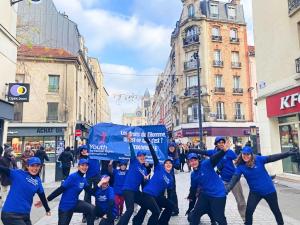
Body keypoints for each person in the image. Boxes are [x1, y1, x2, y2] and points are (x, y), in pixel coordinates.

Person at [226, 146, 299, 225]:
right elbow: (235, 178)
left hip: (269, 191)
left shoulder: (258, 159)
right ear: (241, 154)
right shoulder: (240, 167)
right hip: (255, 193)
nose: (246, 156)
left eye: (248, 154)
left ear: (251, 154)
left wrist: (287, 154)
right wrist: (227, 189)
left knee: (276, 211)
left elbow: (272, 157)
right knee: (249, 212)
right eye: (244, 154)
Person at [189, 136, 246, 222]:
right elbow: (202, 151)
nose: (221, 144)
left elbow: (238, 161)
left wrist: (239, 172)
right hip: (223, 180)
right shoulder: (213, 152)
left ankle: (245, 219)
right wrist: (189, 149)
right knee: (216, 197)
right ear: (216, 144)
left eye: (222, 142)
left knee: (240, 201)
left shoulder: (229, 152)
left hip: (233, 180)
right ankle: (214, 216)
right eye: (219, 142)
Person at [132, 137, 175, 225]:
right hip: (147, 193)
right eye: (166, 163)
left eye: (170, 163)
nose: (168, 164)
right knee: (154, 210)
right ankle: (138, 221)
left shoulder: (171, 179)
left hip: (156, 196)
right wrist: (149, 143)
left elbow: (170, 192)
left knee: (170, 205)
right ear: (164, 165)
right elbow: (154, 155)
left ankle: (162, 223)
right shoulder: (159, 168)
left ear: (172, 166)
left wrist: (168, 201)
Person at [188, 140, 230, 225]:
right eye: (191, 161)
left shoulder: (206, 164)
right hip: (205, 194)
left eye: (195, 160)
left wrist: (223, 151)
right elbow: (193, 188)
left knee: (219, 217)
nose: (193, 162)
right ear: (188, 163)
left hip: (218, 194)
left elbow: (215, 158)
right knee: (194, 216)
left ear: (198, 160)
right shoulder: (193, 175)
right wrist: (191, 198)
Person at [0, 157, 51, 224]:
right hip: (11, 214)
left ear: (40, 167)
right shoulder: (17, 174)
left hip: (25, 216)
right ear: (27, 166)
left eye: (37, 166)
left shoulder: (38, 181)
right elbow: (3, 169)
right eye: (32, 165)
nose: (35, 168)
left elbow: (42, 197)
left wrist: (47, 209)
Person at [47, 158, 95, 225]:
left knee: (92, 209)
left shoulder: (83, 180)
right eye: (82, 165)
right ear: (78, 166)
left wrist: (100, 185)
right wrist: (48, 199)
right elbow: (60, 189)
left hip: (75, 204)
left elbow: (91, 192)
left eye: (86, 165)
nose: (84, 167)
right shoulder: (73, 177)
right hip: (65, 207)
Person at [116, 133, 148, 225]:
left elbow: (144, 183)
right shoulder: (134, 162)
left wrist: (146, 179)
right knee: (130, 209)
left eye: (143, 156)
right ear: (137, 157)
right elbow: (132, 151)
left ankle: (136, 221)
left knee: (146, 204)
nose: (142, 157)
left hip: (135, 191)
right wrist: (130, 141)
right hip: (128, 190)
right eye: (140, 156)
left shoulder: (144, 169)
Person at [78, 145, 101, 223]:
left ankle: (97, 212)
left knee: (98, 194)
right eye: (82, 150)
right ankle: (85, 214)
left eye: (85, 149)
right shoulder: (83, 158)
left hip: (97, 176)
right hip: (88, 177)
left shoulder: (95, 152)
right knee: (87, 195)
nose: (84, 151)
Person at [166, 142, 180, 216]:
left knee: (172, 194)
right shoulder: (165, 154)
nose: (171, 148)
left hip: (171, 177)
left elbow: (178, 166)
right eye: (170, 147)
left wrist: (171, 163)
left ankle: (175, 209)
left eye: (173, 147)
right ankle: (168, 208)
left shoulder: (176, 156)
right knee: (166, 193)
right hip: (164, 176)